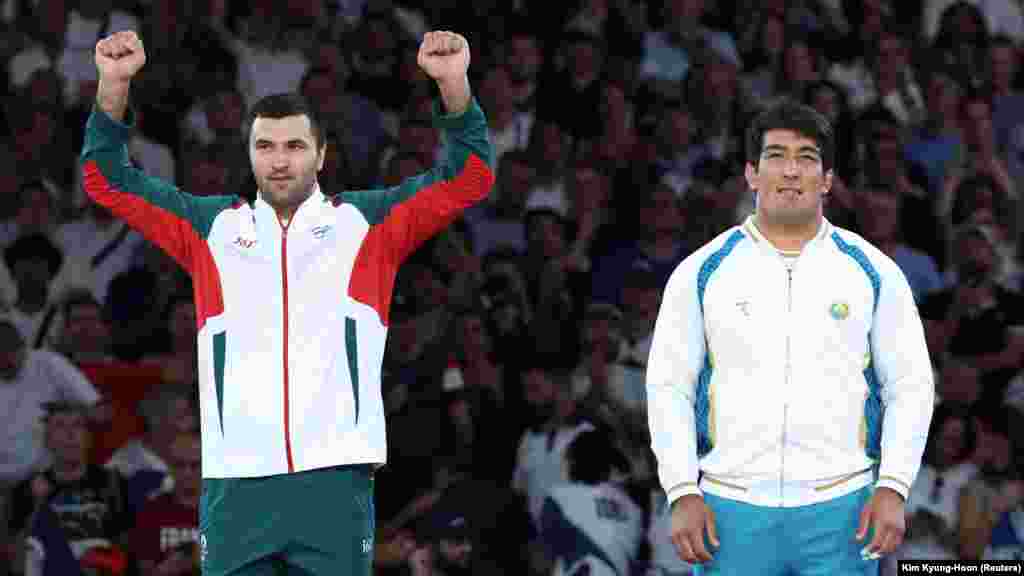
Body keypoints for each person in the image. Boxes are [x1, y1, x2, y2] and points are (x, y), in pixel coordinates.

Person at [80, 29, 494, 576]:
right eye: (266, 146)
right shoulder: (211, 229)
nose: (280, 161)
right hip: (237, 484)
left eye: (295, 145)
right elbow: (105, 180)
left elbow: (470, 177)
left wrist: (453, 84)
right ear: (249, 155)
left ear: (321, 154)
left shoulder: (367, 223)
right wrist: (113, 85)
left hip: (334, 484)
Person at [645, 99, 935, 575]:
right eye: (776, 156)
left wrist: (894, 485)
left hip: (842, 508)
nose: (791, 170)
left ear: (827, 180)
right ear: (751, 174)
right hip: (729, 508)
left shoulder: (872, 272)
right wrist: (681, 489)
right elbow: (668, 386)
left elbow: (910, 384)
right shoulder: (701, 273)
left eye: (806, 158)